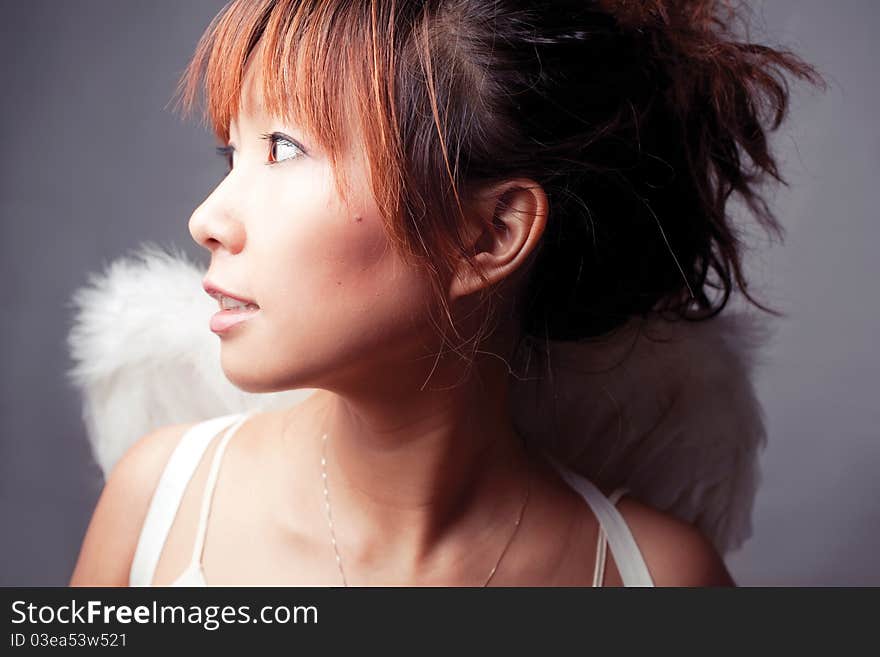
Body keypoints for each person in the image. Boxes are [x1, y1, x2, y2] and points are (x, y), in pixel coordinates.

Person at [69, 0, 819, 586]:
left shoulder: (657, 581)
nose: (207, 219)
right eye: (232, 152)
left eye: (284, 149)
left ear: (489, 235)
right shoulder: (157, 503)